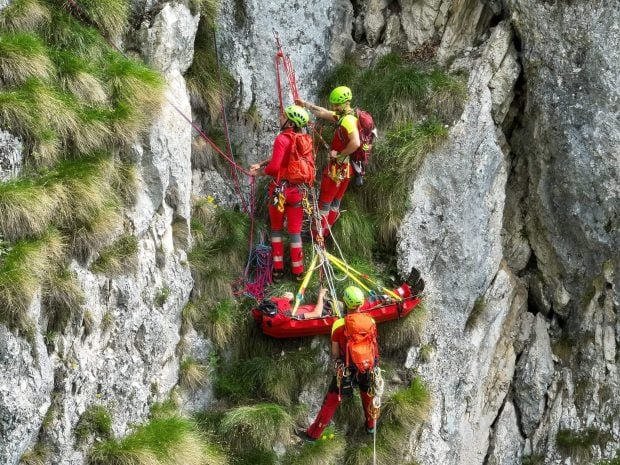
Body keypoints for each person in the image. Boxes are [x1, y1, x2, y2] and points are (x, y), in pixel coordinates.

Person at [296, 286, 379, 442]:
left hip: (346, 368)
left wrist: (338, 362)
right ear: (361, 303)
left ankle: (313, 435)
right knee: (369, 397)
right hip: (368, 367)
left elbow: (335, 352)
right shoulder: (371, 320)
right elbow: (373, 344)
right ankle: (371, 426)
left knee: (331, 401)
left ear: (346, 303)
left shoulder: (339, 324)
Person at [250, 105, 312, 281]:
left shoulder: (282, 139)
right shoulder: (304, 138)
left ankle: (277, 270)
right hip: (298, 192)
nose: (280, 118)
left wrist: (259, 172)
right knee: (294, 232)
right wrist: (261, 163)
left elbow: (275, 167)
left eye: (283, 116)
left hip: (280, 191)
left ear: (290, 122)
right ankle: (298, 272)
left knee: (276, 229)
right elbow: (284, 156)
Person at [296, 86, 361, 238]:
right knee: (335, 202)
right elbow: (323, 112)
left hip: (337, 169)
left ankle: (315, 234)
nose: (334, 107)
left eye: (336, 104)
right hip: (347, 169)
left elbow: (356, 143)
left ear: (346, 103)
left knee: (324, 202)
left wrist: (339, 155)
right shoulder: (348, 116)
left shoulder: (348, 121)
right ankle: (325, 233)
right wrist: (305, 104)